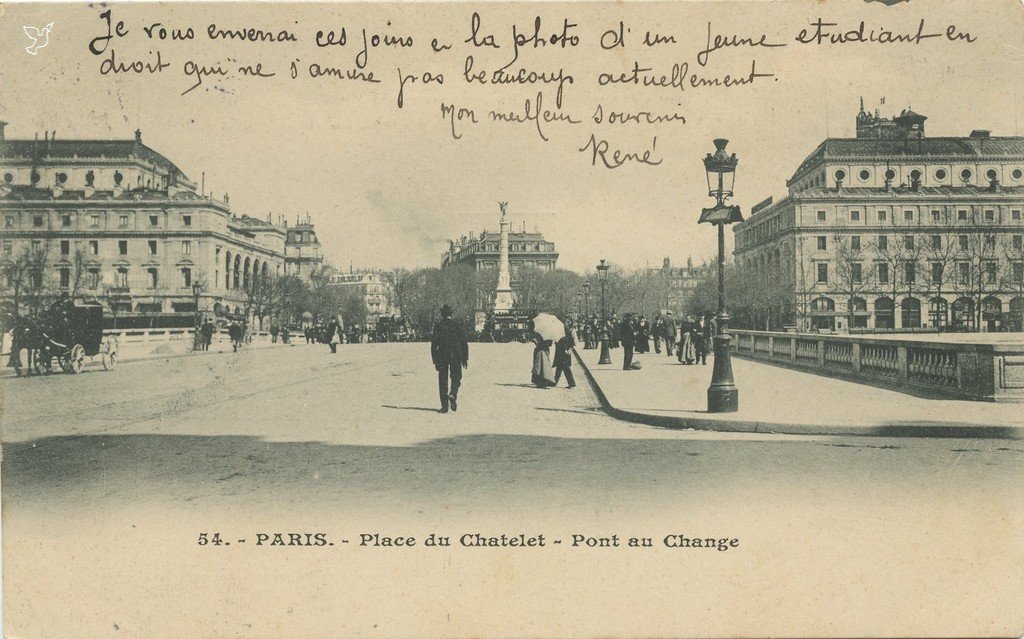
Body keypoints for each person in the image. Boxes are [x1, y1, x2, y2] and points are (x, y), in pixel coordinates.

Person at [431, 304, 469, 413]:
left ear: (442, 314)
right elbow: (464, 342)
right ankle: (453, 394)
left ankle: (444, 406)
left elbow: (434, 344)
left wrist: (435, 359)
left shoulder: (438, 326)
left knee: (442, 380)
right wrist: (465, 358)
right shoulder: (457, 325)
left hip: (442, 355)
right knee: (456, 377)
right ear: (451, 314)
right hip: (456, 355)